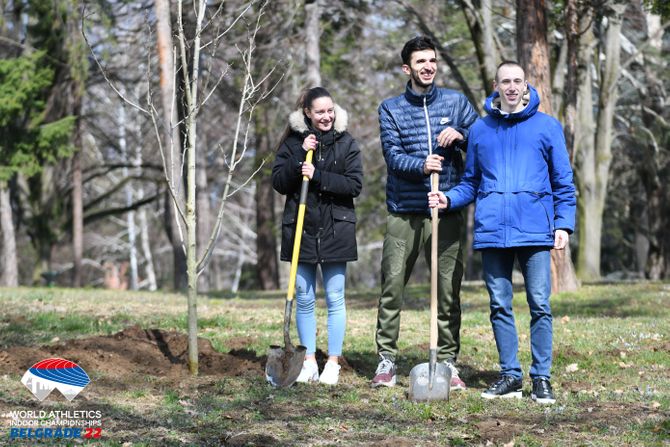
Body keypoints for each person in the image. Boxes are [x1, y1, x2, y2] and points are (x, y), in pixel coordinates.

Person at [428, 61, 576, 404]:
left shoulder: (547, 127)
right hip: (493, 230)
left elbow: (564, 182)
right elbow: (472, 183)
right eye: (505, 81)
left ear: (526, 86)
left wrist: (564, 224)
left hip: (536, 230)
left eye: (517, 81)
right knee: (499, 305)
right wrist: (448, 198)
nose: (511, 87)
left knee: (539, 304)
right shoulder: (480, 130)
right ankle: (511, 376)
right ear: (496, 85)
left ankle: (541, 378)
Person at [372, 36, 479, 389]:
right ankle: (386, 360)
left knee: (448, 289)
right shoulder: (391, 108)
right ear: (408, 68)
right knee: (392, 285)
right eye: (420, 62)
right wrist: (422, 164)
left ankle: (448, 363)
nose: (428, 66)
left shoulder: (457, 102)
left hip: (446, 210)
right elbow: (392, 155)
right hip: (405, 211)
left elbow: (479, 143)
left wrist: (461, 135)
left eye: (432, 60)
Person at [272, 87, 363, 386]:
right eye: (320, 112)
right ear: (307, 113)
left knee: (335, 297)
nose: (326, 116)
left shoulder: (346, 143)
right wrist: (300, 157)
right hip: (302, 229)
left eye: (330, 111)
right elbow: (279, 183)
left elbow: (353, 185)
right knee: (305, 298)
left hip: (337, 230)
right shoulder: (293, 144)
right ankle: (308, 360)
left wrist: (319, 175)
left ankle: (333, 362)